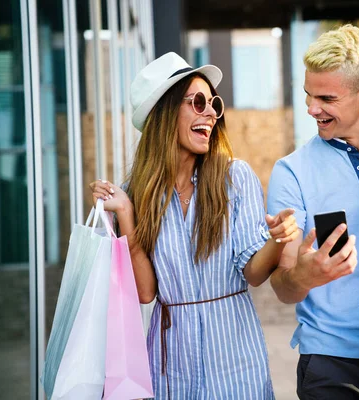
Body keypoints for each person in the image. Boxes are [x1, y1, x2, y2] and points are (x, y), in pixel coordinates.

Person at [90, 52, 298, 399]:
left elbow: (254, 273)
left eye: (214, 103)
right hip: (171, 361)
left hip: (234, 355)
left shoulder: (235, 178)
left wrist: (277, 240)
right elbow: (146, 293)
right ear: (165, 112)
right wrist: (126, 215)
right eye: (198, 102)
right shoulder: (135, 195)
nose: (212, 113)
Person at [266, 25, 359, 398]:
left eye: (326, 98)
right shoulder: (291, 171)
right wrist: (306, 277)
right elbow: (283, 286)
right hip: (330, 361)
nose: (312, 109)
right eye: (308, 95)